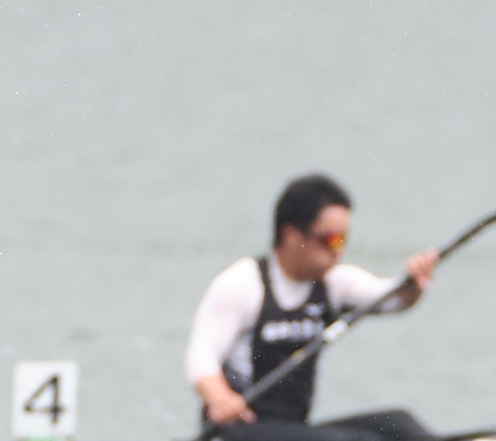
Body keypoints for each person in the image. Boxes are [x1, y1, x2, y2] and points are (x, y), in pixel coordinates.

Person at [186, 173, 440, 427]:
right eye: (330, 240)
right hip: (241, 432)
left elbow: (393, 300)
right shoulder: (242, 284)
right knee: (360, 439)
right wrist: (219, 399)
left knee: (399, 423)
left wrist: (414, 281)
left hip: (294, 434)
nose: (339, 250)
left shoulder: (334, 284)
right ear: (292, 235)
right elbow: (201, 357)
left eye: (344, 239)